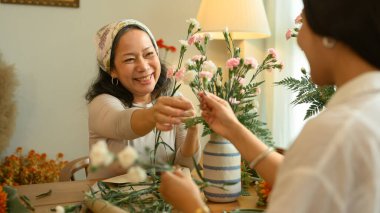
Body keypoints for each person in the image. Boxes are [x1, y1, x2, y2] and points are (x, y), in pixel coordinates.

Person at [159, 0, 380, 212]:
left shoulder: (334, 133)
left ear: (330, 34)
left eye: (304, 23)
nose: (299, 39)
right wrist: (232, 128)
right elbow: (303, 179)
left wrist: (192, 206)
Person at [85, 19, 201, 179]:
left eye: (149, 54)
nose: (143, 66)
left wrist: (193, 129)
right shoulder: (102, 103)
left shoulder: (173, 98)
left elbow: (185, 165)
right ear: (112, 70)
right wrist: (155, 114)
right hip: (109, 201)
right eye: (130, 59)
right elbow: (121, 124)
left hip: (161, 201)